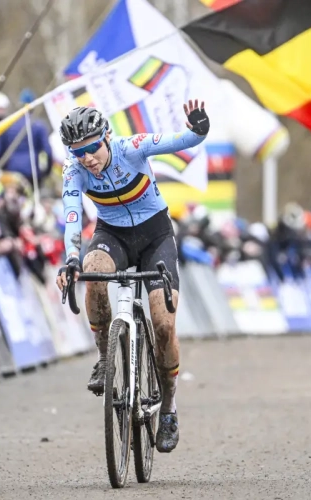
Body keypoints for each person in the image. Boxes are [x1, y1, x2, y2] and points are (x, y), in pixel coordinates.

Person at [55, 99, 210, 453]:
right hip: (112, 236)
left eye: (93, 148)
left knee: (163, 326)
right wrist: (72, 258)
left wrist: (199, 128)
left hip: (156, 238)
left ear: (106, 137)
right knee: (92, 274)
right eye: (79, 153)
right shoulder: (73, 171)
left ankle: (169, 408)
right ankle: (105, 358)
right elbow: (73, 215)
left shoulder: (132, 148)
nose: (88, 158)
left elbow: (183, 141)